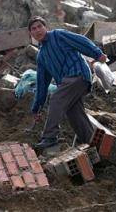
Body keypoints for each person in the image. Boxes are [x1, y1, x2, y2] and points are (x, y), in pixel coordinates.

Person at [28, 16, 107, 149]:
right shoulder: (41, 56)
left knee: (56, 99)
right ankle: (92, 144)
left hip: (78, 75)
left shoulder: (58, 35)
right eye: (33, 29)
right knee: (75, 115)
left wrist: (97, 53)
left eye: (40, 26)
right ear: (31, 34)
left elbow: (80, 41)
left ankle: (50, 137)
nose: (37, 30)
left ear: (45, 27)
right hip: (67, 84)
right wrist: (37, 107)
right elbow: (42, 84)